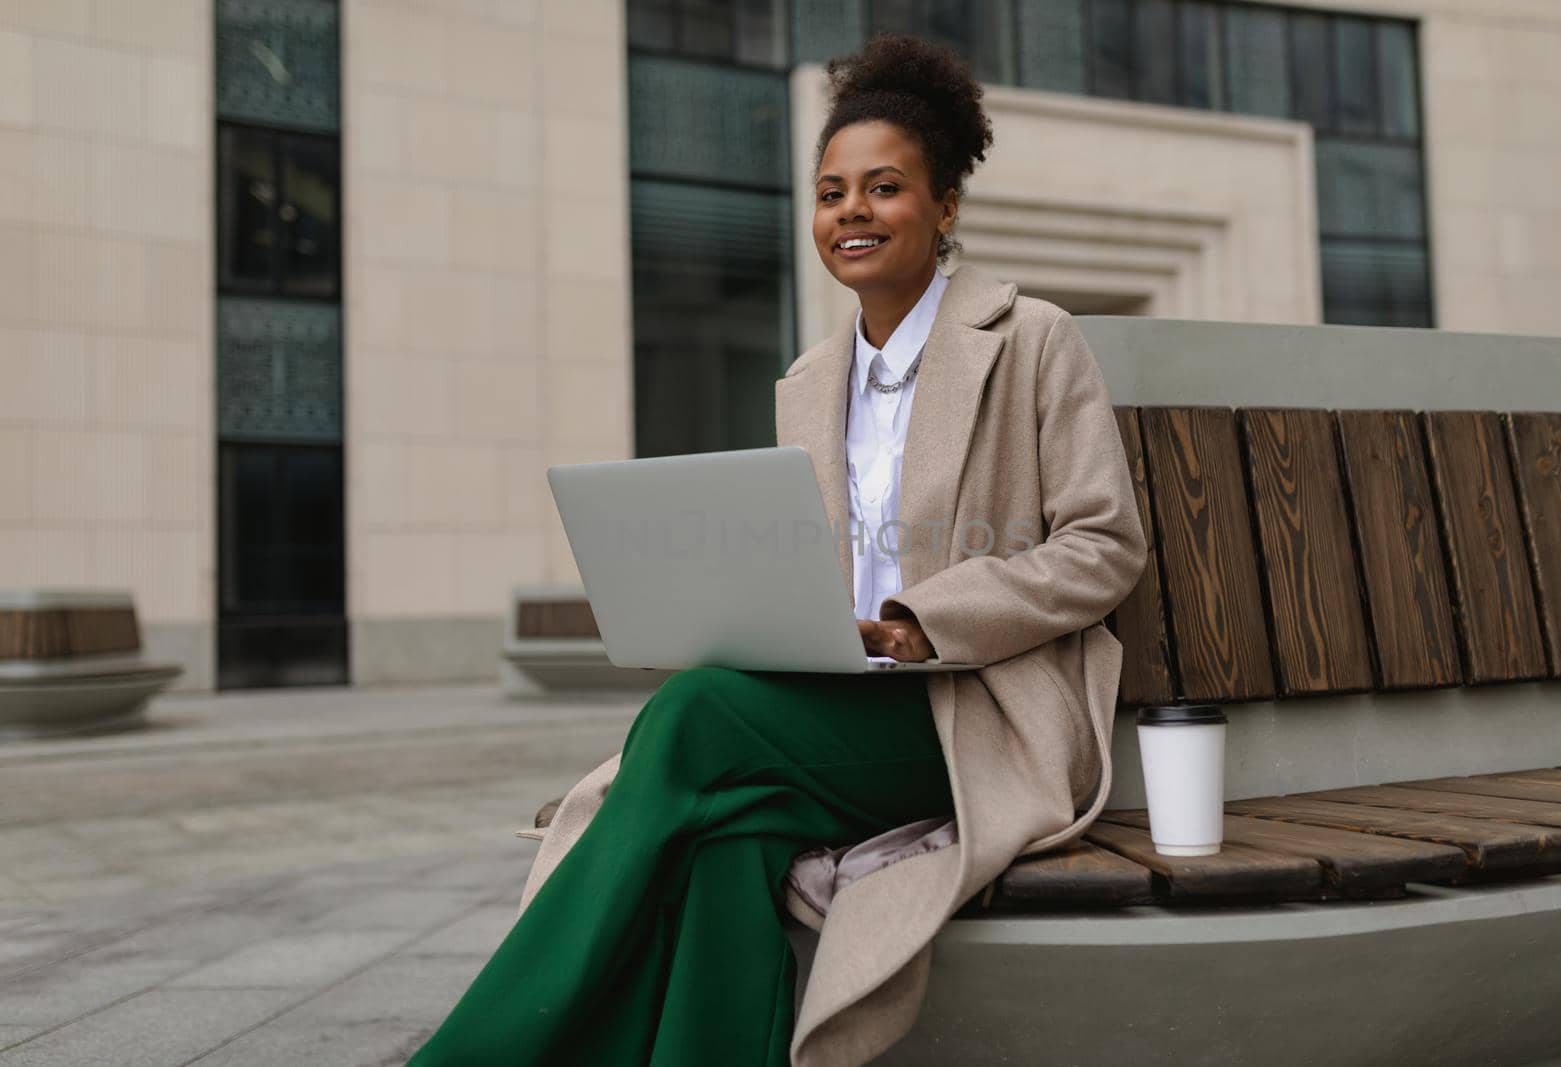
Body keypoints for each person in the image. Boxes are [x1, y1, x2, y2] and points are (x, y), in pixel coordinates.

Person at [408, 34, 1145, 1067]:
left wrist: (920, 623)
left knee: (693, 711)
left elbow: (1104, 544)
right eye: (831, 192)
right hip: (831, 702)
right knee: (723, 837)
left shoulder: (1031, 339)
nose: (851, 212)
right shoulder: (807, 378)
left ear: (944, 207)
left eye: (883, 188)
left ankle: (474, 1053)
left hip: (973, 710)